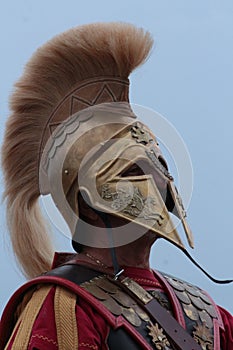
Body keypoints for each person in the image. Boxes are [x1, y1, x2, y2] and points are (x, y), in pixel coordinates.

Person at [0, 22, 232, 350]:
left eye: (160, 166)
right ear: (89, 206)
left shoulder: (207, 312)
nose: (157, 181)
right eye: (132, 170)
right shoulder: (64, 306)